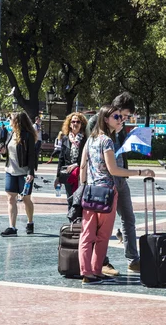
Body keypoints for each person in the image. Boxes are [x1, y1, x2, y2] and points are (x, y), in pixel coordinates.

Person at [78, 105, 155, 285]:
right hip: (106, 193)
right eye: (116, 117)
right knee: (103, 235)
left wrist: (83, 186)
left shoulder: (90, 140)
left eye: (120, 116)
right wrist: (140, 172)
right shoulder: (107, 141)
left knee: (87, 234)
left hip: (90, 192)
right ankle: (95, 270)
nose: (120, 119)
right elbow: (113, 169)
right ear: (106, 119)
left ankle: (86, 272)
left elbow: (83, 165)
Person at [86, 92, 141, 275]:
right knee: (102, 226)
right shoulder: (97, 121)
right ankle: (102, 262)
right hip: (103, 181)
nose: (124, 119)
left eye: (126, 117)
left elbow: (119, 150)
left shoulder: (120, 125)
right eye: (122, 115)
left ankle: (133, 259)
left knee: (128, 218)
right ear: (115, 109)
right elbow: (89, 150)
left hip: (120, 178)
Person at [0, 112, 38, 237]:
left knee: (26, 199)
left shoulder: (28, 136)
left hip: (23, 172)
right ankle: (12, 227)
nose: (8, 120)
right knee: (10, 198)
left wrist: (31, 172)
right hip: (10, 171)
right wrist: (4, 152)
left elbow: (32, 155)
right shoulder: (11, 134)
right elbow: (9, 153)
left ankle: (30, 222)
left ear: (17, 121)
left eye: (10, 118)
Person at [54, 114, 87, 210]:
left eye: (78, 122)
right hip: (68, 173)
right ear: (69, 124)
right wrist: (58, 177)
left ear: (82, 124)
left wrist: (76, 164)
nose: (75, 124)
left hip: (81, 173)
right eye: (73, 122)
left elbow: (88, 157)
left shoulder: (86, 138)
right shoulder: (65, 138)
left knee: (81, 200)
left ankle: (81, 222)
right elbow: (61, 159)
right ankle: (72, 222)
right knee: (70, 199)